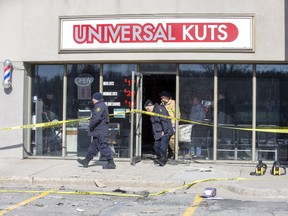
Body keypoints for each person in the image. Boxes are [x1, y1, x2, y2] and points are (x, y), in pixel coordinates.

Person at [77, 92, 116, 169]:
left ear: (96, 99)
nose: (92, 100)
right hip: (98, 131)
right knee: (93, 147)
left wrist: (90, 125)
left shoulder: (99, 106)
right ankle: (86, 161)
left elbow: (96, 118)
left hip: (100, 131)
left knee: (103, 146)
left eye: (93, 99)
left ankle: (111, 163)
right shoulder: (100, 105)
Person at [144, 99, 174, 166]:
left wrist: (164, 130)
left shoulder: (159, 109)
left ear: (150, 106)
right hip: (158, 133)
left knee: (163, 146)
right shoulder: (153, 112)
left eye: (147, 109)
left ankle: (162, 160)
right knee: (156, 146)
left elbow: (164, 120)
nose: (147, 111)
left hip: (165, 131)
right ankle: (160, 158)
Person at [159, 91, 176, 159]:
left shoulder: (173, 103)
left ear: (166, 97)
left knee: (172, 140)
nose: (161, 97)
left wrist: (174, 123)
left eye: (162, 96)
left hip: (172, 124)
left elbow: (177, 114)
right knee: (164, 140)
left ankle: (175, 154)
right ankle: (164, 156)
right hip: (164, 125)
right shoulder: (161, 104)